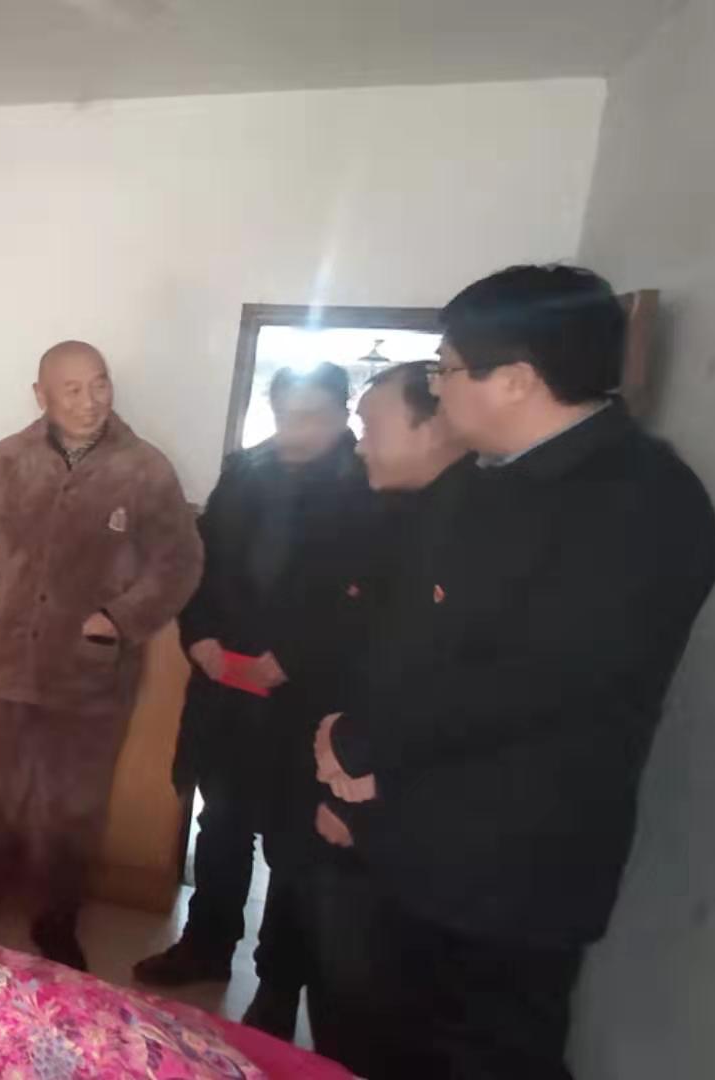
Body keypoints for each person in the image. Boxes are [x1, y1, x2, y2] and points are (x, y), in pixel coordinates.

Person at [314, 265, 715, 1079]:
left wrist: (362, 745)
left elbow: (533, 684)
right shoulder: (480, 483)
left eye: (446, 369)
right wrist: (352, 760)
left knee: (487, 1056)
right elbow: (409, 638)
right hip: (409, 838)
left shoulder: (640, 502)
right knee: (379, 1041)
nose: (438, 388)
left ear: (515, 379)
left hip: (509, 870)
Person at [0, 340, 204, 969]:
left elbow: (180, 561)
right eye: (73, 389)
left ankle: (55, 921)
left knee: (73, 808)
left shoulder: (145, 469)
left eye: (99, 384)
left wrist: (120, 619)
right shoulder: (7, 459)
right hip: (3, 665)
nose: (90, 400)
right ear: (42, 396)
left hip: (90, 675)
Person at [133, 364, 376, 1041]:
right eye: (287, 415)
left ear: (342, 413)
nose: (296, 431)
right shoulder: (244, 472)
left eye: (313, 416)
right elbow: (199, 567)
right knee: (220, 825)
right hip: (226, 689)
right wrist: (200, 638)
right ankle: (205, 945)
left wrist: (293, 657)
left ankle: (277, 984)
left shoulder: (366, 484)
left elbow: (364, 601)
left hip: (308, 703)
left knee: (294, 848)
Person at [283, 360, 472, 1078]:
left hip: (385, 806)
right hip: (351, 777)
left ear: (435, 426)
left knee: (374, 1004)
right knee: (349, 991)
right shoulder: (407, 512)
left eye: (371, 426)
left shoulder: (469, 529)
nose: (360, 444)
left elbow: (430, 684)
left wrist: (352, 798)